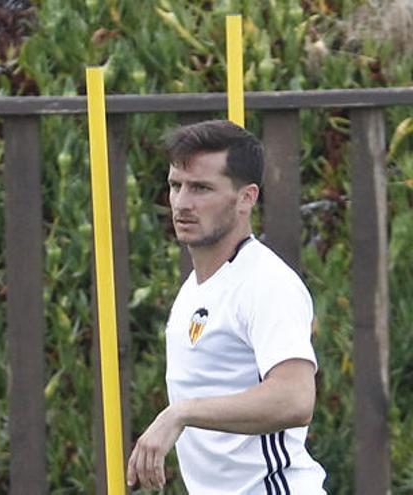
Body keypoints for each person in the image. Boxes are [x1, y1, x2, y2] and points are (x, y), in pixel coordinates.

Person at [126, 120, 326, 493]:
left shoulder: (266, 283)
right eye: (175, 186)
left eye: (201, 188)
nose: (183, 203)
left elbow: (295, 398)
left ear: (246, 198)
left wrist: (181, 413)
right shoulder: (197, 287)